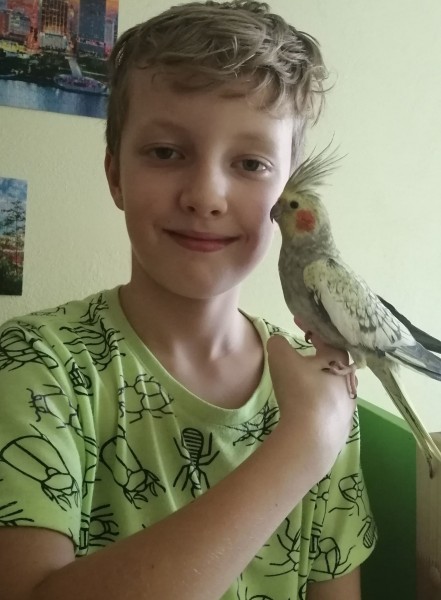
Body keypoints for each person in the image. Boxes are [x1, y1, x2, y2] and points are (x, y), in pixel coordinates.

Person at [0, 2, 376, 598]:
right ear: (115, 176)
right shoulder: (32, 365)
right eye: (166, 153)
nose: (206, 195)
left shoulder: (322, 389)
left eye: (250, 163)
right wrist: (301, 449)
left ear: (288, 196)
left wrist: (318, 430)